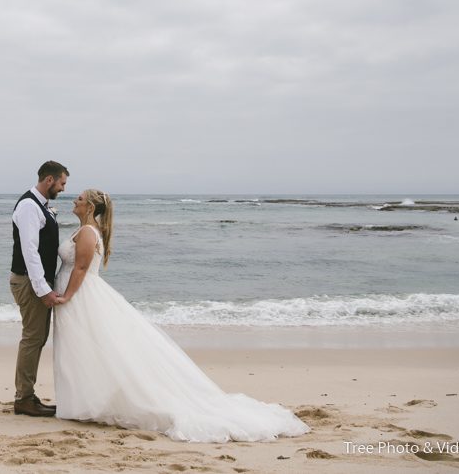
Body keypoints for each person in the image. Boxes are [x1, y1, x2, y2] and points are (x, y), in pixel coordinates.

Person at [53, 189, 310, 442]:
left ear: (91, 207)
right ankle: (83, 401)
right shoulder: (84, 229)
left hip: (82, 295)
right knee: (84, 349)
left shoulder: (88, 232)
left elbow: (82, 268)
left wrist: (67, 296)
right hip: (79, 296)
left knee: (90, 347)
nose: (75, 200)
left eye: (80, 199)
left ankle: (90, 403)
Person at [9, 160, 69, 417]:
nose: (64, 189)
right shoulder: (28, 207)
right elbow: (29, 252)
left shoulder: (40, 206)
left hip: (34, 281)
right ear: (49, 180)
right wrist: (43, 290)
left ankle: (27, 395)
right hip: (29, 281)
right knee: (33, 339)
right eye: (62, 183)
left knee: (37, 338)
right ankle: (23, 398)